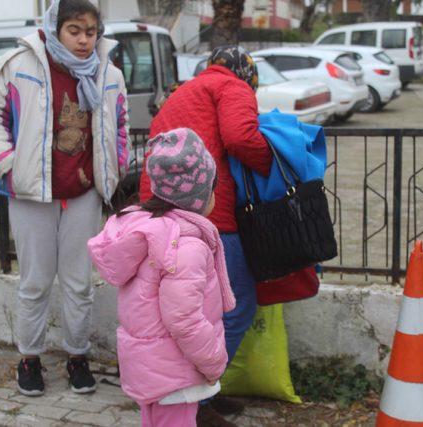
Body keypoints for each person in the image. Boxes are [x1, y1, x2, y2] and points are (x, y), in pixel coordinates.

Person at [0, 0, 129, 396]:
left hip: (82, 193)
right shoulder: (19, 64)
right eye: (74, 30)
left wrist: (116, 164)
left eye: (90, 32)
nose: (83, 40)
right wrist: (8, 162)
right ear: (56, 28)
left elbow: (121, 124)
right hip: (32, 194)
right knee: (35, 282)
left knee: (79, 283)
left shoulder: (108, 72)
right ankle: (30, 359)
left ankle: (78, 357)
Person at [139, 45, 272, 425]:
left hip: (162, 208)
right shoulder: (233, 86)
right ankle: (196, 400)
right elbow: (241, 137)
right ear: (247, 73)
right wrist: (272, 166)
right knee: (234, 304)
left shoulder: (187, 89)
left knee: (189, 309)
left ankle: (201, 396)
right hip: (209, 210)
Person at [88, 128, 235, 427]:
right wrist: (215, 360)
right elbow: (184, 319)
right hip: (175, 373)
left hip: (152, 368)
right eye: (212, 188)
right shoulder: (187, 246)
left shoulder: (154, 231)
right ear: (198, 197)